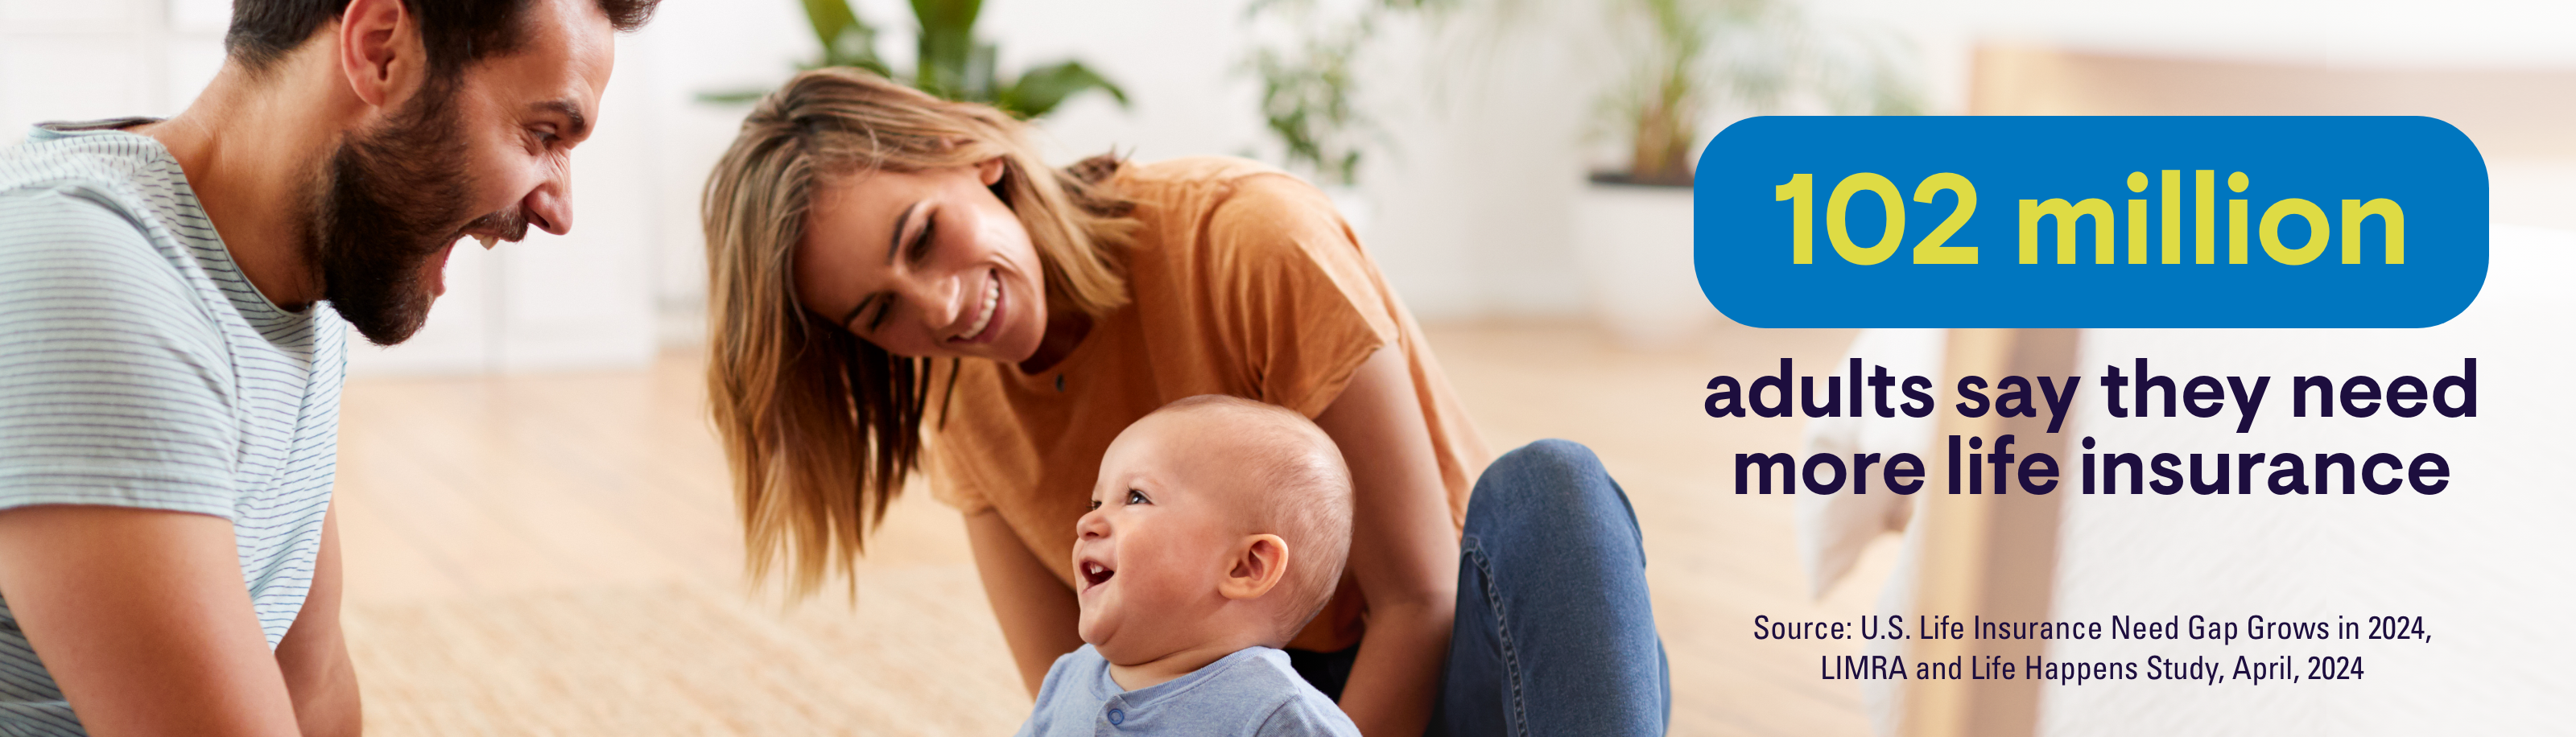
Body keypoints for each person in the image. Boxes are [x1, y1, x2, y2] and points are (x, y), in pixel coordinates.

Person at [702, 67, 1668, 736]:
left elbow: (1420, 600)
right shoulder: (963, 412)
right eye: (881, 313)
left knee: (1553, 487)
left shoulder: (1248, 238)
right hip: (1233, 710)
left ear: (970, 153)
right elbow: (1084, 690)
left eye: (922, 238)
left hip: (1451, 666)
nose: (943, 307)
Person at [0, 0, 657, 734]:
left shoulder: (288, 282)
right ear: (381, 50)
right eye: (543, 134)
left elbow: (309, 683)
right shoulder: (85, 276)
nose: (558, 208)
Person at [1018, 395, 1360, 737]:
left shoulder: (1277, 717)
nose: (1088, 522)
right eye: (1096, 502)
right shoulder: (1069, 676)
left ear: (1245, 567)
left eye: (1137, 497)